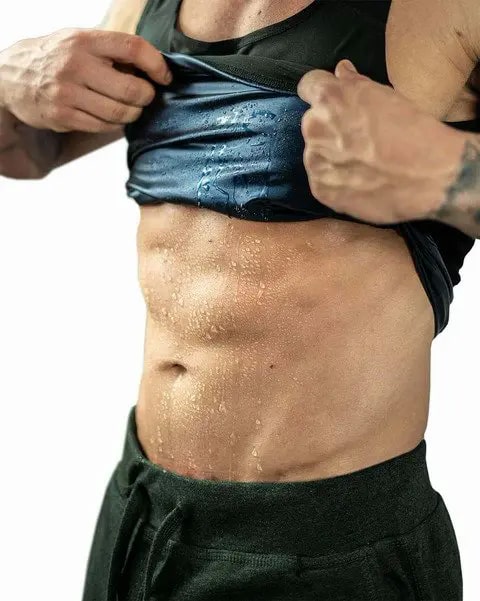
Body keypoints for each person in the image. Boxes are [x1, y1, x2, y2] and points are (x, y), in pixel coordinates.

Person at [0, 1, 477, 599]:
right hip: (144, 513)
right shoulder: (146, 7)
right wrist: (6, 84)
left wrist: (446, 172)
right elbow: (25, 148)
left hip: (324, 549)